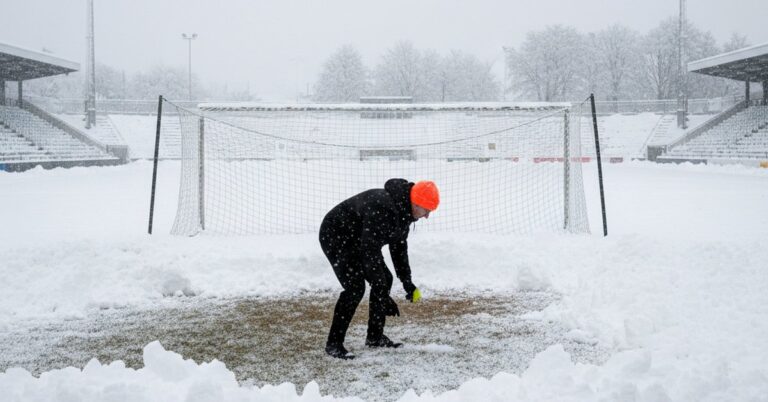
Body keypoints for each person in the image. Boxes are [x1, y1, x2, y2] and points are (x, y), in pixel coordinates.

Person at [319, 179, 440, 360]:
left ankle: (375, 337)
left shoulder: (405, 213)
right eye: (426, 210)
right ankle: (334, 344)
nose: (427, 216)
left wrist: (407, 283)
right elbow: (369, 251)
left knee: (385, 280)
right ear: (416, 203)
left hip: (359, 239)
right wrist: (382, 292)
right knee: (355, 288)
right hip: (336, 235)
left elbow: (398, 249)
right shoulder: (384, 208)